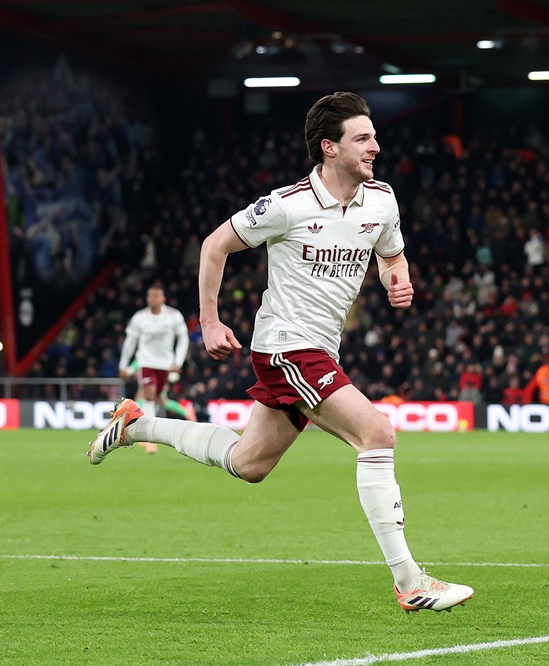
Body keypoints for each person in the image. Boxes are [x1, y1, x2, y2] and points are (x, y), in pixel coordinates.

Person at [88, 92, 473, 613]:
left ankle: (138, 425)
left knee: (248, 464)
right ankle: (410, 581)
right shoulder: (287, 205)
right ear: (328, 148)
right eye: (363, 138)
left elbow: (392, 255)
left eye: (374, 136)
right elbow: (214, 245)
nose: (376, 147)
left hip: (320, 350)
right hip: (286, 346)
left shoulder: (381, 200)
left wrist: (395, 279)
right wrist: (208, 321)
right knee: (377, 433)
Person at [118, 285, 190, 453]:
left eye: (155, 296)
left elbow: (183, 338)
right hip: (146, 361)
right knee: (148, 395)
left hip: (165, 363)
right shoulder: (140, 317)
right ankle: (150, 438)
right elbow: (130, 343)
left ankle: (179, 416)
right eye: (149, 296)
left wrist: (178, 362)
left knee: (159, 399)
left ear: (163, 299)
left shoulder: (173, 315)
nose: (151, 299)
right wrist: (124, 366)